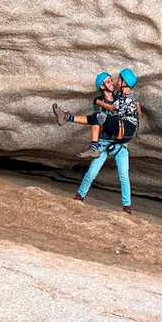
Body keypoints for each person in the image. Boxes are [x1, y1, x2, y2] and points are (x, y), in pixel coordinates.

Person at [53, 68, 140, 215]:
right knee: (92, 172)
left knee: (124, 176)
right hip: (105, 141)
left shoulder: (120, 96)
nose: (112, 82)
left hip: (119, 143)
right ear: (102, 86)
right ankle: (79, 197)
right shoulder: (98, 102)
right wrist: (97, 141)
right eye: (107, 81)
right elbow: (97, 123)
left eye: (112, 80)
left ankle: (127, 208)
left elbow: (131, 106)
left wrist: (136, 104)